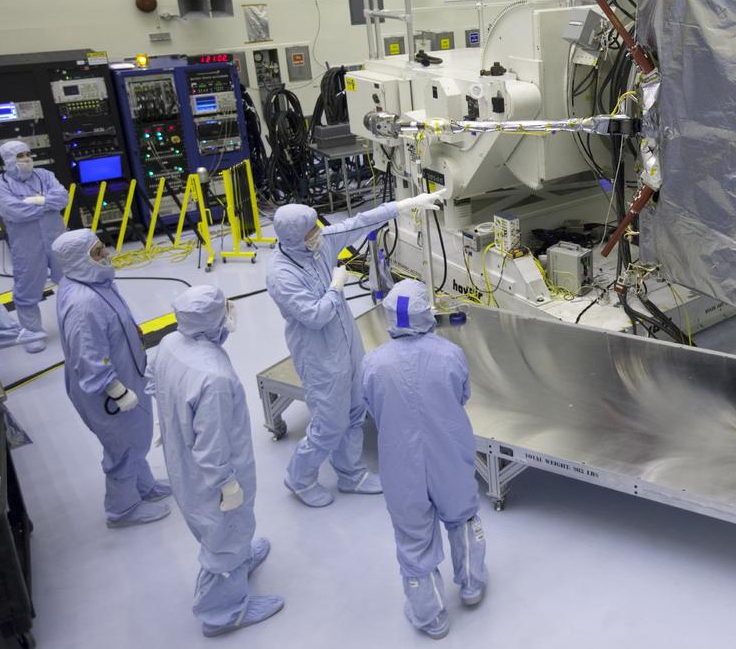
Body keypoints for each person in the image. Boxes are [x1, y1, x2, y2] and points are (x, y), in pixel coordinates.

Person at [267, 193, 444, 508]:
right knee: (329, 423)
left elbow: (359, 223)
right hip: (318, 353)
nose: (319, 235)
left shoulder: (318, 244)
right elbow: (315, 316)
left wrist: (405, 205)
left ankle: (351, 474)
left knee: (354, 410)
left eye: (317, 228)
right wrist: (337, 285)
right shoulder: (281, 275)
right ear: (294, 238)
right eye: (311, 233)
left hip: (346, 340)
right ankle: (299, 477)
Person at [149, 285, 283, 637]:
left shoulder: (170, 343)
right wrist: (227, 484)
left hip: (182, 458)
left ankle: (239, 560)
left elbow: (155, 383)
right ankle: (222, 611)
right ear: (209, 320)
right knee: (224, 529)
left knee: (221, 529)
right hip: (213, 475)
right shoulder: (214, 377)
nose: (230, 310)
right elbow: (212, 446)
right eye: (224, 307)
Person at [361, 279, 486, 639]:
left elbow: (373, 408)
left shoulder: (374, 363)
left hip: (401, 463)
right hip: (449, 452)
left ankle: (430, 616)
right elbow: (462, 394)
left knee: (414, 537)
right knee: (462, 518)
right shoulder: (449, 354)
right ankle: (472, 585)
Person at [53, 228, 171, 526]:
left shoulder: (93, 280)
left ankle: (144, 486)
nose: (105, 254)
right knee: (123, 446)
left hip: (125, 370)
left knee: (136, 438)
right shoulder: (82, 304)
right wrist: (116, 391)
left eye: (101, 248)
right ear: (77, 260)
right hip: (108, 388)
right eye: (97, 253)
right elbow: (88, 356)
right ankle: (122, 509)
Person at [0, 140, 68, 351]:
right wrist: (44, 201)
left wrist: (33, 202)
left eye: (28, 154)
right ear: (8, 160)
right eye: (20, 156)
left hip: (57, 238)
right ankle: (32, 333)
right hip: (26, 245)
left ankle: (75, 320)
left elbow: (62, 198)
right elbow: (14, 212)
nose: (26, 159)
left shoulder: (44, 175)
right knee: (27, 289)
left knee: (71, 280)